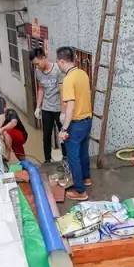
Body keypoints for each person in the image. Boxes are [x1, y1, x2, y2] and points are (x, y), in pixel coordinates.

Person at [56, 46, 93, 201]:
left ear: (63, 61)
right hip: (87, 120)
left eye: (58, 61)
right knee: (83, 152)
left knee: (73, 157)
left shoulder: (68, 79)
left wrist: (64, 128)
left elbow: (70, 105)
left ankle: (80, 191)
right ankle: (86, 178)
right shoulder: (82, 74)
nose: (57, 64)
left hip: (76, 123)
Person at [30, 47, 66, 162]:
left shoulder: (57, 69)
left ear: (44, 58)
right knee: (46, 136)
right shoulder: (38, 72)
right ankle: (47, 160)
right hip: (47, 109)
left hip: (59, 109)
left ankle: (66, 158)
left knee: (63, 135)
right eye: (34, 65)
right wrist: (38, 107)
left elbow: (62, 91)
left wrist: (63, 112)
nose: (37, 66)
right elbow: (41, 88)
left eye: (37, 63)